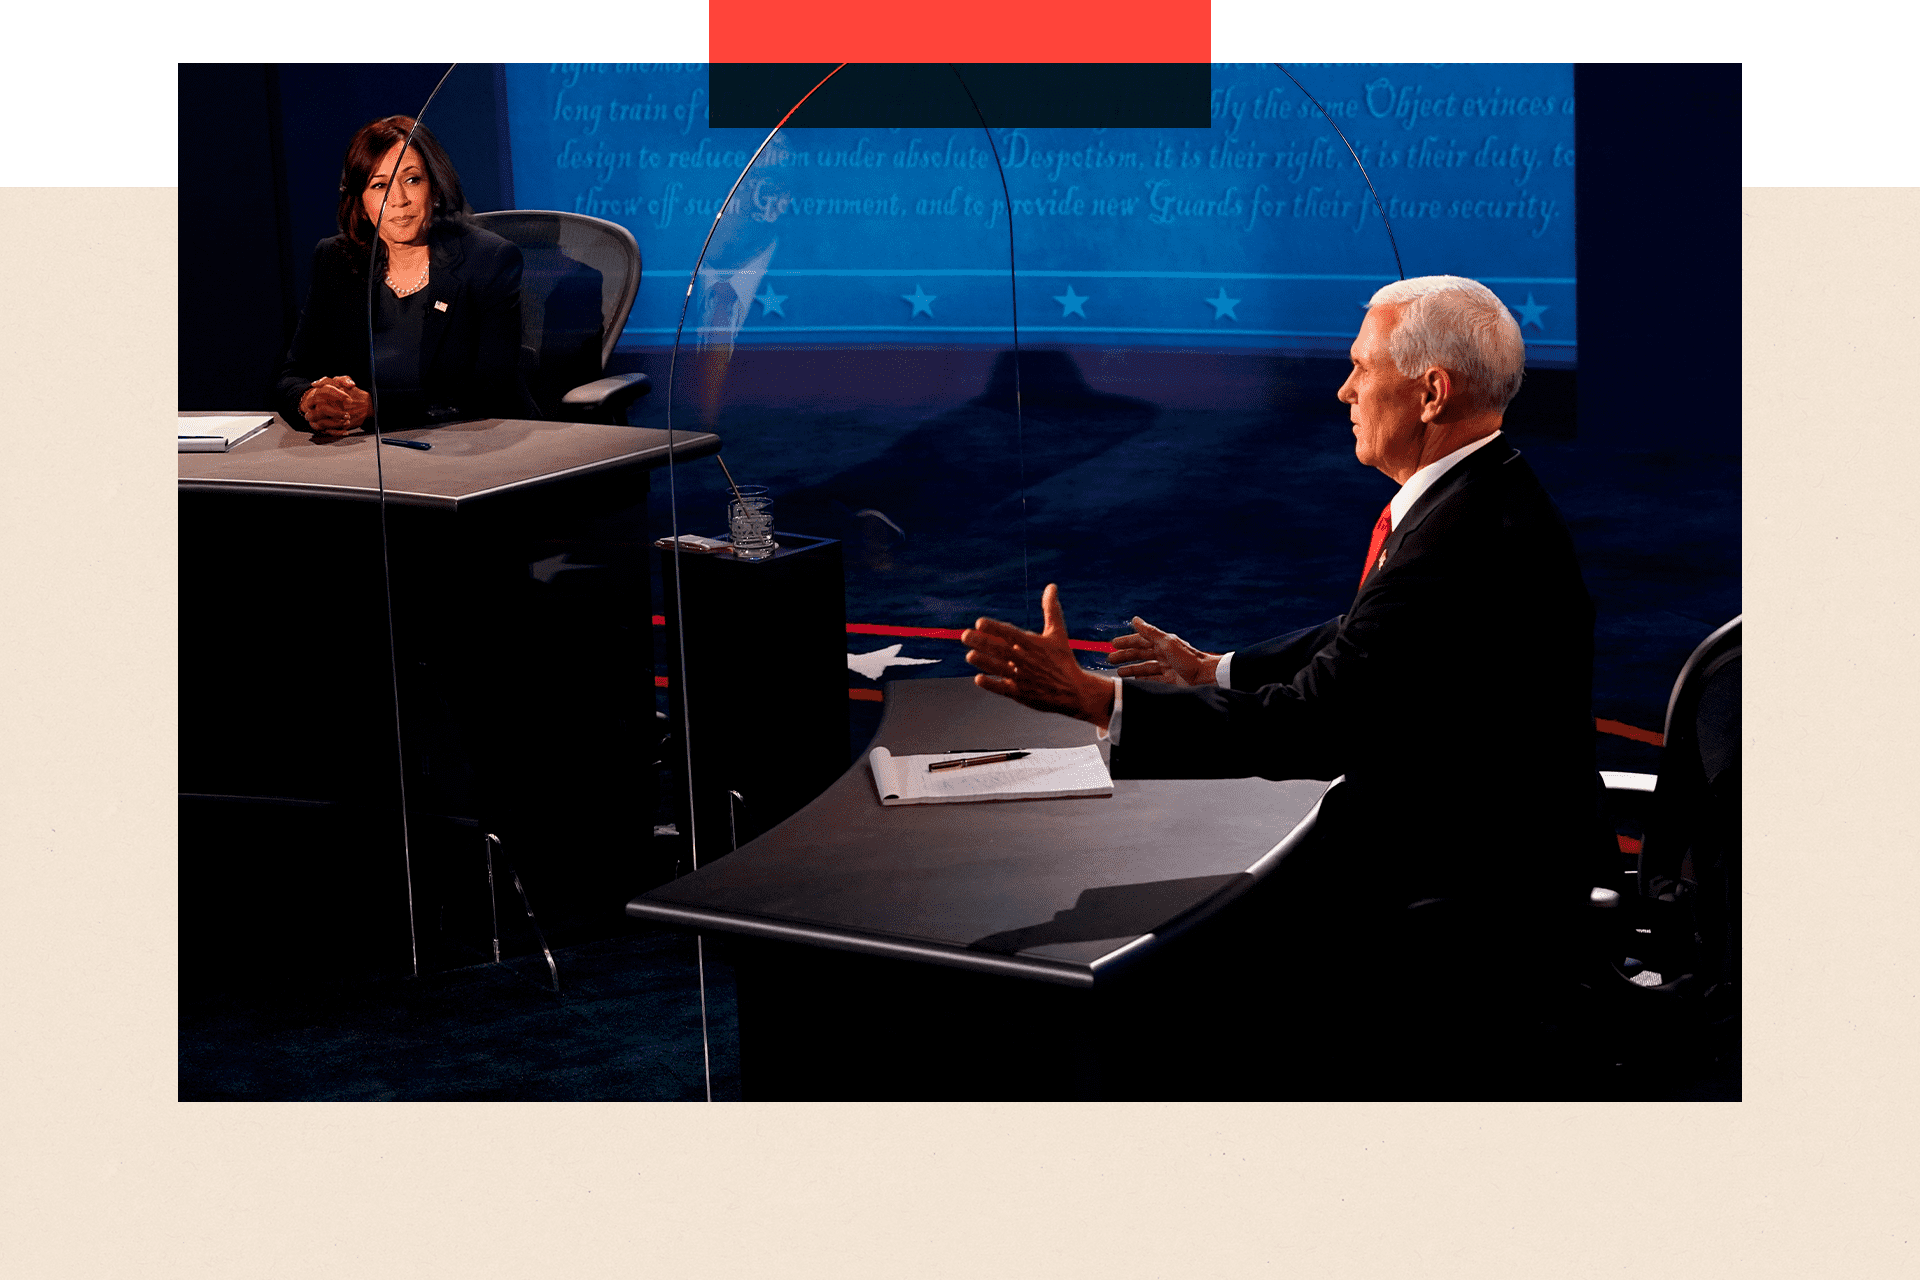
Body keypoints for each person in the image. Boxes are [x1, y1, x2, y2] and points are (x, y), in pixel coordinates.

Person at [962, 277, 1600, 1092]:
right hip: (1484, 843)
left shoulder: (1462, 539)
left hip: (1460, 883)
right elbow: (1364, 638)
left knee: (1168, 974)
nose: (1345, 389)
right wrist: (1216, 670)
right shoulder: (1487, 492)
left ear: (1431, 392)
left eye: (1361, 368)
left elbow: (1312, 724)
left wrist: (1100, 701)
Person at [274, 116, 539, 435]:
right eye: (379, 185)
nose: (398, 200)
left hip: (479, 443)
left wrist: (373, 407)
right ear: (360, 201)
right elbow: (293, 373)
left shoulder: (488, 259)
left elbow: (488, 392)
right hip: (371, 456)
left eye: (412, 180)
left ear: (436, 189)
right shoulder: (336, 259)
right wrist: (311, 401)